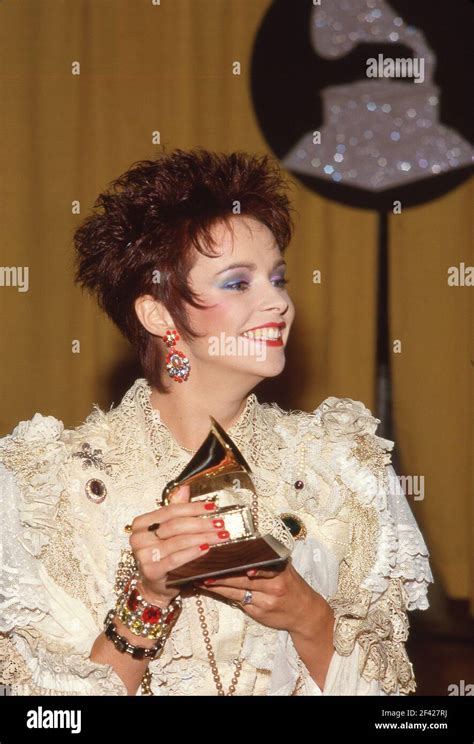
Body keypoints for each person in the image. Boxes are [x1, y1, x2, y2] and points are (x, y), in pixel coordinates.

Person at [0, 148, 433, 696]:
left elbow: (391, 704)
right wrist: (148, 600)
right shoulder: (48, 486)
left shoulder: (345, 468)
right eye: (238, 283)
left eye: (278, 278)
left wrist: (309, 617)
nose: (278, 303)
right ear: (158, 314)